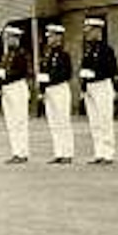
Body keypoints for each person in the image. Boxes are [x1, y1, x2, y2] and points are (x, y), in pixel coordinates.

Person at [80, 17, 118, 165]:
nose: (87, 34)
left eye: (90, 31)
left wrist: (95, 74)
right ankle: (99, 152)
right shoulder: (88, 49)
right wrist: (84, 87)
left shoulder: (106, 49)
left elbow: (111, 70)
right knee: (94, 121)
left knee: (104, 120)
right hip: (90, 87)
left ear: (98, 31)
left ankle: (108, 153)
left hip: (102, 85)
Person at [39, 25, 74, 165]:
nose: (49, 38)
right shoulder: (47, 55)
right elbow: (43, 73)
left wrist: (50, 78)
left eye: (52, 36)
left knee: (63, 121)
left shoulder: (64, 54)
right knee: (53, 122)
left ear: (59, 37)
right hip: (49, 90)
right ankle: (58, 152)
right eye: (49, 36)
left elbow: (67, 74)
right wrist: (42, 89)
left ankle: (68, 153)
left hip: (60, 88)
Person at [0, 26, 31, 164]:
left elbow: (22, 72)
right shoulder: (6, 56)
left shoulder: (22, 54)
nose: (9, 40)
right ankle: (16, 151)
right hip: (7, 89)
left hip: (17, 87)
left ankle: (22, 152)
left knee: (19, 120)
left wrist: (4, 74)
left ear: (17, 39)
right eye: (8, 37)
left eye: (11, 38)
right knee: (11, 122)